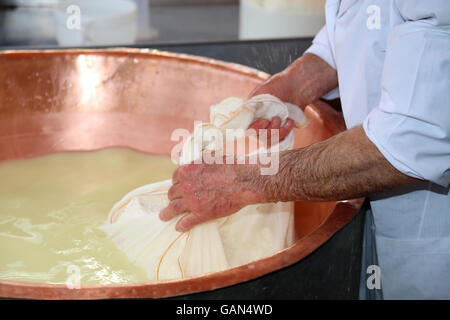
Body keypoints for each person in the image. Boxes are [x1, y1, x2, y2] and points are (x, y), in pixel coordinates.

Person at [160, 0, 450, 299]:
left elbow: (415, 136)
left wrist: (250, 180)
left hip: (432, 247)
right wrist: (297, 83)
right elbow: (368, 21)